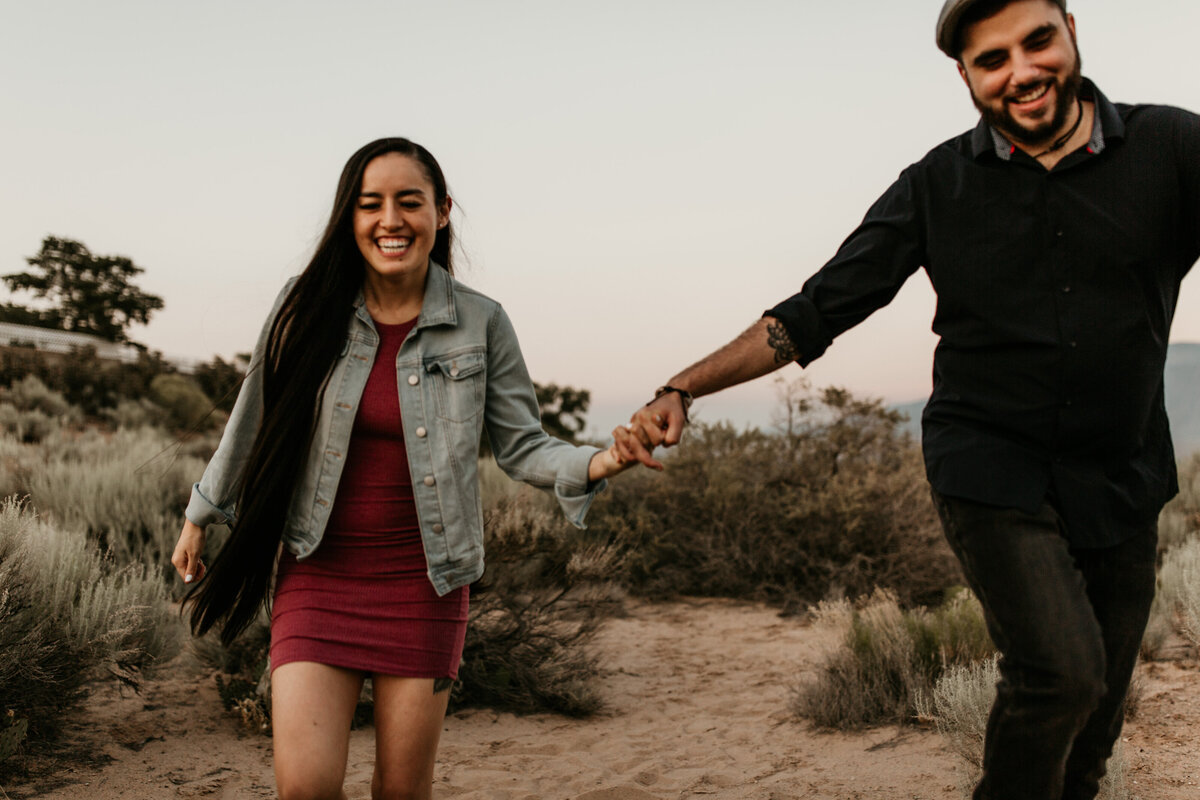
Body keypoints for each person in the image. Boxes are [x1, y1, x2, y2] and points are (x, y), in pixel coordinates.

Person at [614, 2, 1198, 798]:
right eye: (992, 60)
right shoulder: (936, 185)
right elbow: (815, 311)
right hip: (992, 469)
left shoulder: (1172, 148)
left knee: (1092, 730)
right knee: (1059, 672)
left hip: (1123, 473)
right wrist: (682, 386)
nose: (1021, 71)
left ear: (1071, 32)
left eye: (1037, 42)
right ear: (966, 76)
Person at [170, 137, 633, 800]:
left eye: (409, 202)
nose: (390, 219)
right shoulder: (305, 307)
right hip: (317, 572)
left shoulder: (481, 323)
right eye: (370, 204)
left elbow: (524, 445)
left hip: (425, 586)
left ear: (441, 212)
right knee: (304, 789)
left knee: (401, 793)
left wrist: (602, 460)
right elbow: (253, 416)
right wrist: (201, 513)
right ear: (350, 218)